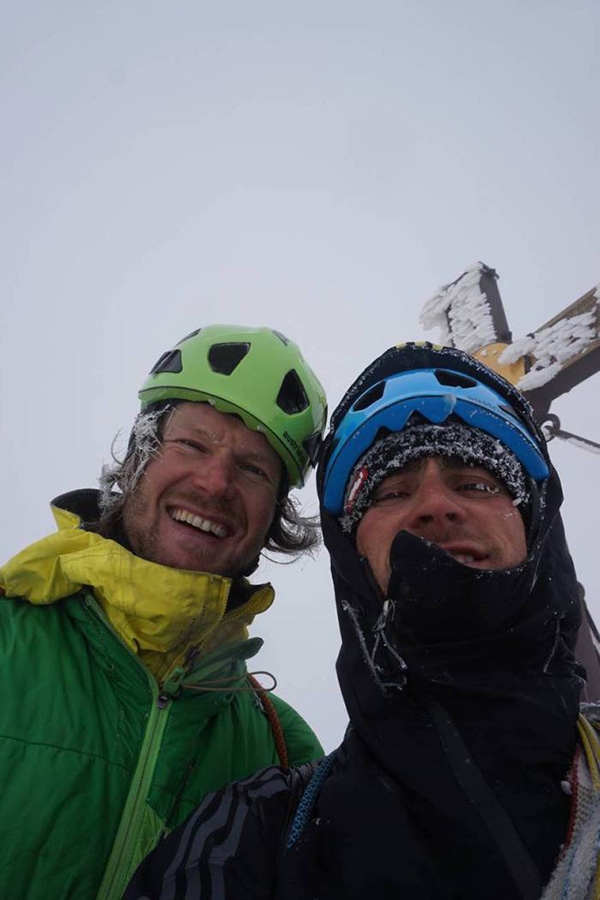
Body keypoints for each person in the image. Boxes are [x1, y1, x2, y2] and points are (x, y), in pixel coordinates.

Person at [124, 341, 600, 900]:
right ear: (351, 556)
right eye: (393, 492)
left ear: (534, 527)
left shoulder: (273, 765)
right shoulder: (255, 834)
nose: (435, 506)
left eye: (475, 483)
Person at [0, 325, 328, 900]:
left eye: (254, 469)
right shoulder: (8, 639)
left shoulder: (286, 752)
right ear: (137, 461)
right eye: (193, 444)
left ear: (273, 515)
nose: (215, 482)